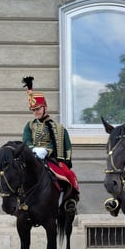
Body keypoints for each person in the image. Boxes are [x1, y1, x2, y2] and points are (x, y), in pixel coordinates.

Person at [21, 76, 79, 213]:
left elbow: (66, 145)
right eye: (33, 110)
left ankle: (69, 201)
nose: (36, 112)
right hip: (33, 156)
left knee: (68, 175)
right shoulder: (29, 126)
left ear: (45, 107)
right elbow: (26, 141)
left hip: (50, 158)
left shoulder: (58, 127)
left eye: (38, 109)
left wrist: (48, 151)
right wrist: (34, 149)